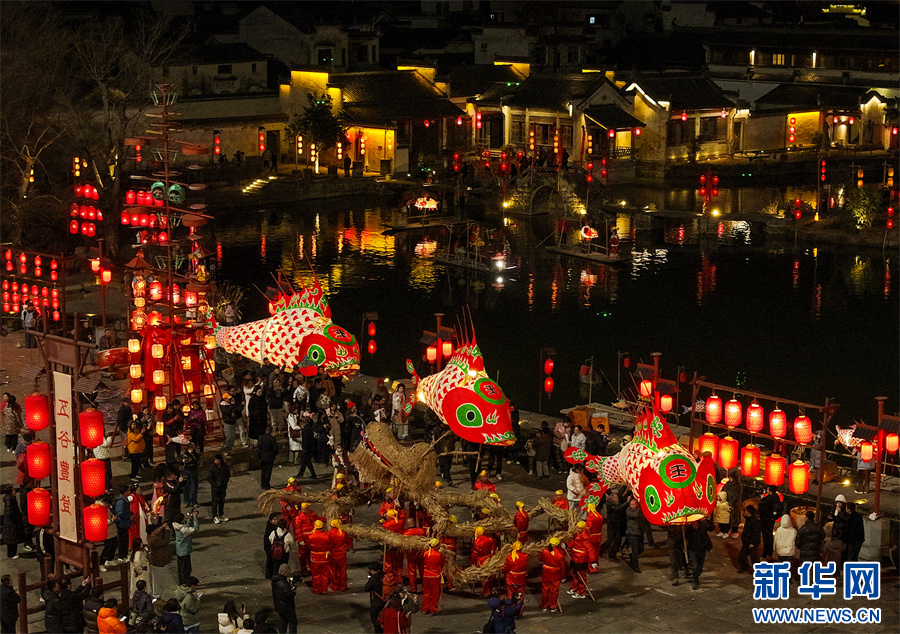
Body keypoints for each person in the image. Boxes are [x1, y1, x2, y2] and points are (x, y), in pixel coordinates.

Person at [685, 519, 713, 590]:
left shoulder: (703, 527)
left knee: (700, 567)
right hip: (692, 550)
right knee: (695, 566)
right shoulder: (689, 528)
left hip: (701, 550)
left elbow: (711, 528)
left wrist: (709, 520)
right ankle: (695, 580)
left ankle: (697, 575)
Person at [172, 511, 199, 585]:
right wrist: (195, 518)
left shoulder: (176, 525)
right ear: (181, 520)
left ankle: (181, 582)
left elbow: (186, 526)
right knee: (186, 569)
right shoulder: (183, 530)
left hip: (179, 551)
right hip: (184, 551)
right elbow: (195, 529)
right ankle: (185, 583)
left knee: (181, 568)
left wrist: (190, 519)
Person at [539, 537, 565, 612]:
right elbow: (563, 567)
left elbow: (540, 559)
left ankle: (544, 605)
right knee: (554, 590)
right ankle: (552, 606)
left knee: (545, 589)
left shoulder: (544, 551)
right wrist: (563, 576)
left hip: (546, 571)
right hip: (555, 573)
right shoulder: (560, 555)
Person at [758, 485, 784, 560]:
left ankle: (765, 554)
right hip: (771, 520)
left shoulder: (767, 500)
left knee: (766, 537)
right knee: (769, 536)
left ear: (770, 491)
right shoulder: (777, 498)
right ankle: (770, 553)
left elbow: (762, 508)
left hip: (765, 520)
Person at [567, 521, 592, 598]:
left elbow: (590, 548)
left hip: (581, 558)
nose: (577, 529)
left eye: (579, 528)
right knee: (575, 574)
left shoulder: (585, 537)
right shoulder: (577, 534)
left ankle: (581, 592)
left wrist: (593, 560)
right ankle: (575, 588)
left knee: (581, 575)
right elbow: (572, 543)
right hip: (574, 556)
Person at [307, 520, 332, 595]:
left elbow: (308, 546)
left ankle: (316, 589)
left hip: (315, 558)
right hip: (325, 557)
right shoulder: (327, 536)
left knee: (315, 575)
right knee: (325, 574)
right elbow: (330, 545)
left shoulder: (311, 536)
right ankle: (324, 590)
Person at [271, 564, 297, 634]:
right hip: (287, 607)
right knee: (293, 622)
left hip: (279, 606)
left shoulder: (274, 580)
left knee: (282, 622)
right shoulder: (284, 584)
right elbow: (289, 595)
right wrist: (293, 590)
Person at [421, 538, 444, 614]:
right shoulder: (438, 555)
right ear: (436, 545)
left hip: (425, 575)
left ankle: (425, 608)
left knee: (426, 593)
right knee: (435, 593)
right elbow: (442, 564)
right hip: (435, 576)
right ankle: (433, 609)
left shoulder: (426, 553)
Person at [471, 526, 496, 597]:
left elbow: (474, 554)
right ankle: (490, 590)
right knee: (490, 574)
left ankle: (486, 592)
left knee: (484, 576)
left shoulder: (477, 542)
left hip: (481, 560)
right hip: (489, 558)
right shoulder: (489, 539)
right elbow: (493, 549)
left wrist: (473, 563)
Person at [207, 453, 231, 523]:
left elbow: (227, 475)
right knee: (214, 502)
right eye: (215, 460)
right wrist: (215, 484)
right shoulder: (212, 468)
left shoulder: (224, 466)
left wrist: (225, 482)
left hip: (223, 487)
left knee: (221, 502)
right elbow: (209, 478)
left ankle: (221, 515)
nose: (216, 462)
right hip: (215, 488)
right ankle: (214, 516)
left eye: (218, 460)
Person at [328, 519, 351, 592]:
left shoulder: (329, 534)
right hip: (341, 555)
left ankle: (334, 586)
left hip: (332, 554)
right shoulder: (343, 533)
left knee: (333, 571)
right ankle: (342, 586)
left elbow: (328, 544)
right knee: (342, 571)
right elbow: (348, 542)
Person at [2, 486, 24, 560]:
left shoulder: (10, 499)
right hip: (11, 523)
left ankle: (12, 553)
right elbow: (9, 512)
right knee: (12, 538)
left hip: (10, 522)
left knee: (12, 538)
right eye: (13, 490)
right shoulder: (10, 500)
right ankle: (12, 554)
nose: (15, 491)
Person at [738, 505, 761, 573]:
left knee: (754, 557)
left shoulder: (754, 521)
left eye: (746, 511)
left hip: (751, 542)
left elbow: (756, 533)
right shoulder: (749, 519)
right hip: (746, 541)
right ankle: (744, 568)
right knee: (742, 555)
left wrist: (753, 542)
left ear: (749, 512)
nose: (744, 512)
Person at [365, 563, 387, 633]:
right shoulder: (385, 575)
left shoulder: (373, 579)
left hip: (376, 603)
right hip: (387, 602)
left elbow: (366, 588)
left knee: (376, 622)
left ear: (372, 570)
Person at [181, 443, 200, 508]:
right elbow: (180, 460)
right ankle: (186, 501)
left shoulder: (195, 454)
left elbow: (195, 460)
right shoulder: (184, 454)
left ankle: (194, 501)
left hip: (193, 470)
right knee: (186, 487)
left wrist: (188, 459)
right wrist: (182, 461)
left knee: (194, 487)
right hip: (186, 471)